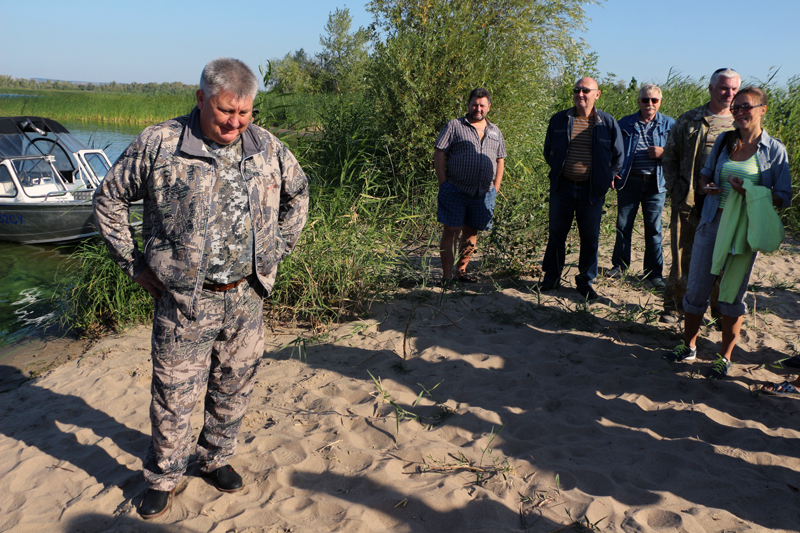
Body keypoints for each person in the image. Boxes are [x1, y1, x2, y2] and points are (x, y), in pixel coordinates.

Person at [93, 58, 309, 519]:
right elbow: (109, 199)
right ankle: (164, 476)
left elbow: (299, 195)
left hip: (246, 296)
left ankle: (215, 459)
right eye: (225, 111)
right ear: (200, 99)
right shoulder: (160, 142)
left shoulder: (266, 146)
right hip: (186, 301)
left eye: (244, 113)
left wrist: (272, 252)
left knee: (235, 384)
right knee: (174, 392)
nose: (235, 122)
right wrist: (133, 264)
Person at [663, 87, 791, 379]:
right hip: (711, 220)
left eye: (746, 106)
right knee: (695, 287)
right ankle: (689, 346)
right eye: (736, 108)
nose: (739, 112)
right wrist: (707, 186)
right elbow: (706, 173)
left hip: (745, 229)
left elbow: (784, 196)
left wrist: (749, 191)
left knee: (732, 294)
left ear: (762, 110)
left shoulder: (774, 150)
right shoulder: (724, 141)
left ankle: (725, 357)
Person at [662, 68, 741, 319]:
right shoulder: (689, 119)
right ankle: (675, 307)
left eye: (734, 89)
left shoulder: (742, 122)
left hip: (727, 205)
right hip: (689, 202)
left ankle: (719, 311)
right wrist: (676, 189)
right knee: (682, 256)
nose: (729, 93)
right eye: (724, 87)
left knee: (724, 259)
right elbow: (670, 157)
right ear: (711, 88)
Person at [540, 77, 624, 301]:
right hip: (562, 187)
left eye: (586, 90)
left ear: (597, 94)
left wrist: (608, 175)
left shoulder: (606, 123)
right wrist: (562, 169)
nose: (581, 94)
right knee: (557, 234)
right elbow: (548, 151)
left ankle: (585, 281)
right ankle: (551, 278)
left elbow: (618, 155)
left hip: (592, 191)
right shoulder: (560, 120)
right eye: (577, 90)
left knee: (590, 238)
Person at [434, 87, 506, 284]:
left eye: (482, 105)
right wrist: (443, 183)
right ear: (468, 104)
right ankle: (446, 277)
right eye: (475, 104)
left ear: (489, 107)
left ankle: (461, 272)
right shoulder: (454, 126)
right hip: (455, 189)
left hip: (483, 193)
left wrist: (496, 187)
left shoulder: (495, 131)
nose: (478, 108)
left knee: (472, 231)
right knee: (451, 230)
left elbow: (500, 159)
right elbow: (439, 152)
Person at [607, 84, 675, 289]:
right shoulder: (625, 123)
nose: (650, 104)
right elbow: (612, 150)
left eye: (654, 100)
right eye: (645, 100)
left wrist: (664, 153)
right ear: (638, 101)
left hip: (656, 183)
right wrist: (611, 172)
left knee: (654, 229)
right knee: (623, 225)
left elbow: (682, 153)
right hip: (629, 180)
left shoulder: (670, 124)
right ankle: (619, 267)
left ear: (660, 102)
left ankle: (654, 273)